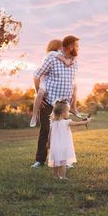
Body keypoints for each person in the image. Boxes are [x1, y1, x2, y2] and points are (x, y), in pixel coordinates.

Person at [31, 35, 80, 169]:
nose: (78, 49)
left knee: (62, 132)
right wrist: (38, 94)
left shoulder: (75, 61)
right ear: (69, 46)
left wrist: (72, 101)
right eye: (76, 46)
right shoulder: (52, 58)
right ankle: (40, 161)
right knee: (46, 130)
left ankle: (63, 161)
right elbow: (37, 75)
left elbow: (72, 82)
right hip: (49, 102)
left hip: (64, 105)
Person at [30, 40, 78, 127]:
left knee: (75, 86)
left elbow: (73, 57)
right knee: (40, 92)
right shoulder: (51, 54)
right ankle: (34, 116)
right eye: (61, 47)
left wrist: (72, 59)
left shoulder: (60, 55)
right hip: (44, 79)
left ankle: (74, 107)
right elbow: (57, 55)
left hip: (51, 82)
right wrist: (66, 60)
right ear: (57, 47)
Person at [48, 99, 91, 179]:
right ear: (63, 112)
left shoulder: (53, 123)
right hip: (63, 146)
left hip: (54, 146)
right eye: (68, 111)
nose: (68, 113)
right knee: (63, 162)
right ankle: (62, 176)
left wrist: (48, 143)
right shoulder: (66, 122)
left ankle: (55, 176)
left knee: (55, 161)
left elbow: (50, 134)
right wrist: (86, 122)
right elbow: (77, 124)